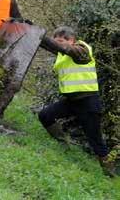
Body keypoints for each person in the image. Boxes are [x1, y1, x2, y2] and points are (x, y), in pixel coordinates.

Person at [39, 26, 116, 177]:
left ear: (72, 40)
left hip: (88, 102)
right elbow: (47, 44)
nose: (59, 44)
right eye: (56, 41)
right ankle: (63, 144)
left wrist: (50, 41)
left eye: (62, 41)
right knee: (45, 115)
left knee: (96, 142)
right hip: (71, 101)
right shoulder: (62, 53)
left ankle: (110, 174)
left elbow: (73, 52)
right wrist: (33, 30)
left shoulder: (82, 49)